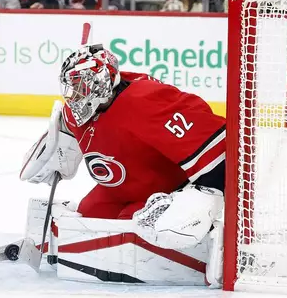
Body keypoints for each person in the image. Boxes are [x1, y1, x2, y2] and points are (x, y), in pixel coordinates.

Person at [20, 39, 226, 285]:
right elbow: (64, 142)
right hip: (117, 189)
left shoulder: (145, 101)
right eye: (70, 88)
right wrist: (55, 149)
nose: (73, 97)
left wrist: (203, 197)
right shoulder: (76, 113)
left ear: (101, 85)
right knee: (85, 219)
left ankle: (203, 242)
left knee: (131, 229)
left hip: (160, 190)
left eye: (80, 87)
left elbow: (215, 144)